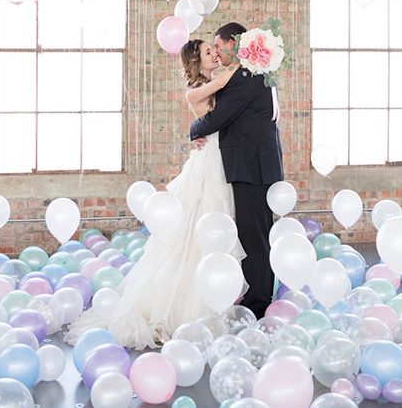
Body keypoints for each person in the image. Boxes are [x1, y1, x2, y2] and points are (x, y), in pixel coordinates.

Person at [65, 39, 242, 349]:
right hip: (208, 164)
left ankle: (218, 297)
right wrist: (248, 58)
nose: (215, 54)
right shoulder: (197, 91)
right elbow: (226, 84)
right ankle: (185, 309)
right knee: (193, 231)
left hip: (220, 159)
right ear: (195, 62)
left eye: (215, 50)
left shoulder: (213, 83)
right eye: (208, 52)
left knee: (217, 226)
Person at [190, 22, 284, 319]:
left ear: (233, 43)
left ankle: (258, 302)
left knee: (254, 236)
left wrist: (193, 130)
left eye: (218, 46)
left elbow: (219, 117)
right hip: (255, 164)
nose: (216, 52)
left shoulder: (246, 75)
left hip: (251, 166)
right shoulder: (256, 72)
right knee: (256, 233)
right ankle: (258, 292)